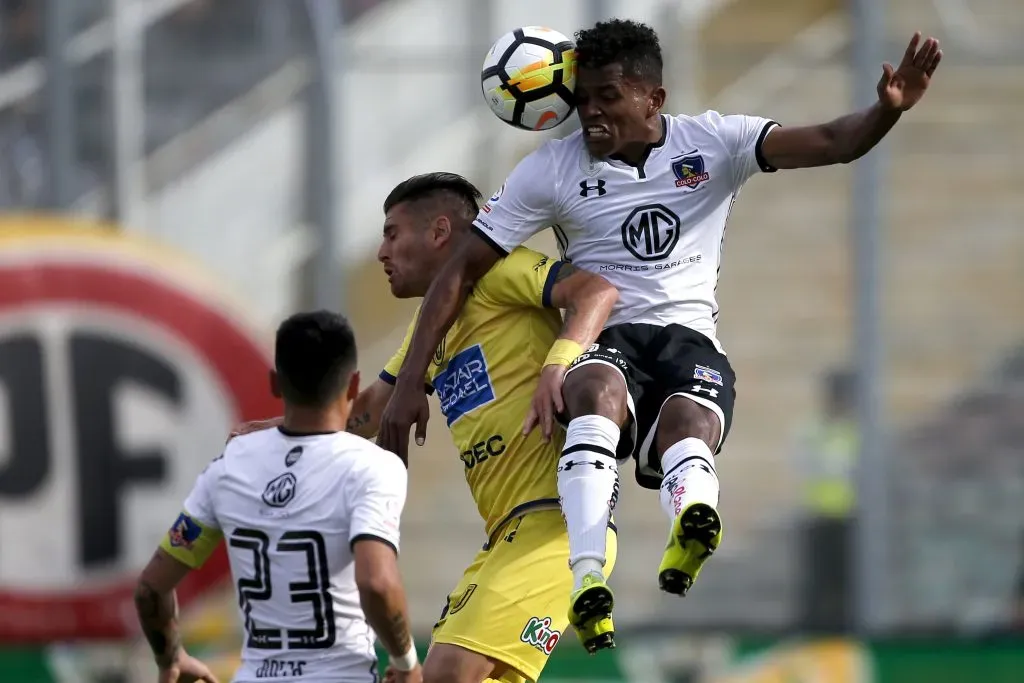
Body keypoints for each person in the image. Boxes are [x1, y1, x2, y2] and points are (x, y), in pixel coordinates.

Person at [377, 18, 943, 646]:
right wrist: (408, 383)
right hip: (610, 341)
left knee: (689, 426)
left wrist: (887, 111)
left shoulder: (715, 142)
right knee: (590, 389)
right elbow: (460, 269)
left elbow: (835, 139)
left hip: (687, 338)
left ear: (654, 99)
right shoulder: (550, 171)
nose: (590, 112)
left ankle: (693, 521)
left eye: (607, 97)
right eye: (582, 96)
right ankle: (588, 574)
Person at [233, 171, 621, 680]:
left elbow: (596, 290)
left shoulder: (499, 272)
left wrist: (558, 364)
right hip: (505, 536)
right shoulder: (428, 330)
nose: (381, 252)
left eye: (392, 233)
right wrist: (272, 434)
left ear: (440, 231)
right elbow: (370, 412)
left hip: (556, 526)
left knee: (446, 673)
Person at [134, 311, 420, 683]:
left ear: (275, 383)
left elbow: (151, 587)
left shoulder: (228, 467)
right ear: (353, 385)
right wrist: (407, 663)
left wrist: (170, 657)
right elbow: (377, 584)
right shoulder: (373, 466)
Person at [793, 368, 858, 631]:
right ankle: (814, 632)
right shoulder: (812, 432)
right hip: (818, 515)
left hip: (850, 518)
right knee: (816, 583)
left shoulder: (857, 432)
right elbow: (803, 465)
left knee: (846, 584)